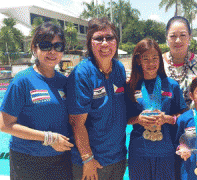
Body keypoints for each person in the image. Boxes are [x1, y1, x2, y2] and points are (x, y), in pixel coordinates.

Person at [0, 22, 73, 180]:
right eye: (46, 45)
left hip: (60, 161)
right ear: (35, 48)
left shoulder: (64, 82)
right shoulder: (22, 81)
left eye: (58, 46)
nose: (52, 51)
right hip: (27, 161)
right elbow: (5, 125)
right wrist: (48, 138)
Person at [67, 17, 127, 180]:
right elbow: (76, 122)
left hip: (118, 158)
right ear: (90, 42)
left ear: (116, 41)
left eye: (109, 38)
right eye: (98, 38)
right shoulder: (83, 73)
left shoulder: (119, 69)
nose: (105, 43)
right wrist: (87, 159)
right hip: (92, 162)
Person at [125, 38, 187, 180]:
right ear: (138, 61)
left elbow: (183, 117)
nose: (151, 63)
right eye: (145, 59)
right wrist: (138, 119)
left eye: (155, 58)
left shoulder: (172, 85)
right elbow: (125, 119)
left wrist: (167, 119)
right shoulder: (131, 87)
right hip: (139, 152)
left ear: (160, 60)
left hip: (166, 152)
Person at [163, 16, 197, 108]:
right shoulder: (157, 64)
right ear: (167, 38)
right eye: (173, 36)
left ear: (190, 37)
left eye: (183, 35)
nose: (178, 40)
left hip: (195, 121)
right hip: (163, 121)